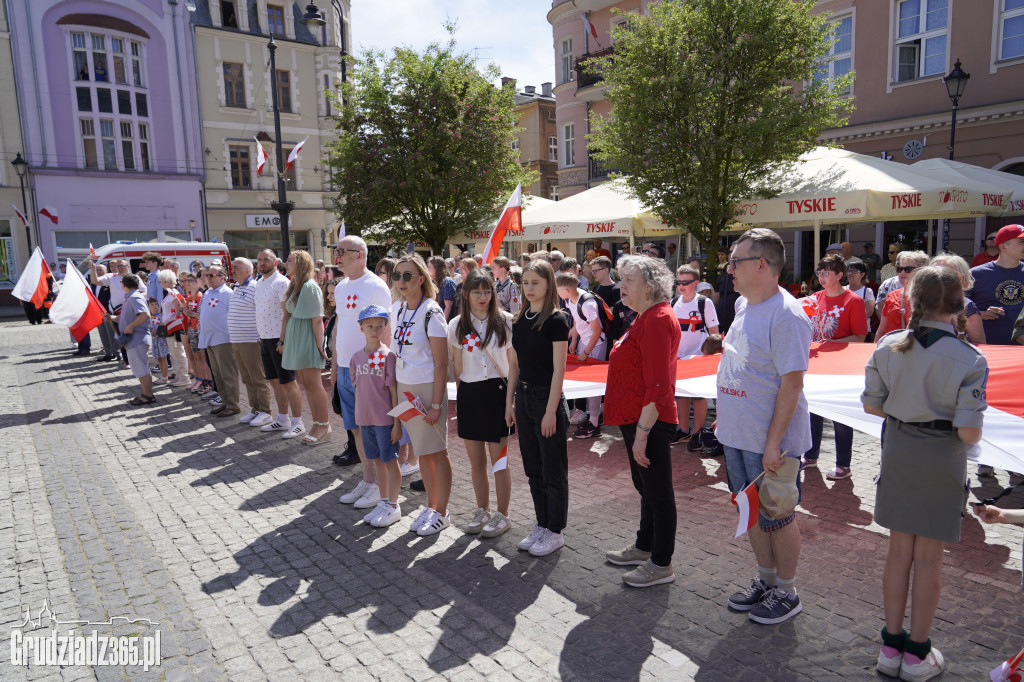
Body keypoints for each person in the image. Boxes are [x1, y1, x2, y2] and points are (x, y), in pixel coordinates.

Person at [861, 266, 987, 681]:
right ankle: (917, 654)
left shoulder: (887, 346)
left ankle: (890, 646)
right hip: (940, 456)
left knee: (898, 553)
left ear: (911, 301)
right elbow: (968, 431)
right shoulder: (970, 359)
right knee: (929, 559)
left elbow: (872, 405)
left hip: (898, 448)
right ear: (959, 306)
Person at [716, 228, 812, 625]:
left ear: (761, 265)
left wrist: (774, 442)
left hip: (770, 442)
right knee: (751, 511)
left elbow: (792, 383)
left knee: (779, 515)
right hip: (739, 433)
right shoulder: (744, 304)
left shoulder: (787, 314)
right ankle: (766, 581)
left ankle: (787, 591)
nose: (728, 268)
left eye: (735, 261)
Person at [603, 255, 681, 587]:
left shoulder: (655, 319)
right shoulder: (645, 317)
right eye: (620, 279)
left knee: (658, 493)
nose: (621, 285)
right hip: (638, 419)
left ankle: (661, 564)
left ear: (648, 287)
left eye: (627, 280)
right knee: (646, 489)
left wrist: (642, 433)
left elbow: (659, 384)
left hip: (648, 420)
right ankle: (644, 546)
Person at [505, 259, 570, 557]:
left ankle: (555, 530)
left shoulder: (557, 319)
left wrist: (549, 412)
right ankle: (542, 524)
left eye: (536, 283)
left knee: (552, 470)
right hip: (525, 398)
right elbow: (514, 366)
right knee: (533, 469)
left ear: (549, 284)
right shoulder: (518, 319)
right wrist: (510, 402)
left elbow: (559, 370)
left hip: (548, 399)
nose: (530, 288)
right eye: (526, 283)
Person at [449, 270, 514, 538]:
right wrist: (462, 396)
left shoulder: (507, 322)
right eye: (477, 292)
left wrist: (511, 403)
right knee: (476, 462)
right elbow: (457, 365)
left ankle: (503, 514)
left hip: (498, 394)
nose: (483, 297)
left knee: (499, 461)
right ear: (466, 294)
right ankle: (482, 509)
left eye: (487, 291)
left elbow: (514, 365)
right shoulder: (455, 325)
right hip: (470, 394)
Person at [390, 255, 452, 536]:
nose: (401, 281)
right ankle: (431, 505)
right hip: (407, 389)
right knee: (423, 454)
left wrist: (437, 404)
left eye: (407, 276)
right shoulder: (401, 310)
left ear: (421, 279)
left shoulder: (432, 312)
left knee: (437, 453)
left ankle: (442, 511)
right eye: (397, 275)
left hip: (428, 390)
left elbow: (442, 363)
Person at [332, 237, 393, 498]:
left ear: (359, 255)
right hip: (346, 367)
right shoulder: (341, 286)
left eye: (341, 251)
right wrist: (335, 365)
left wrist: (382, 369)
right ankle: (368, 481)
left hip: (370, 370)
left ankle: (381, 488)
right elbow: (339, 326)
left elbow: (385, 330)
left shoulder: (376, 286)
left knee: (374, 430)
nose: (336, 256)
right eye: (335, 251)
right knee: (356, 428)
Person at [800, 253, 867, 480]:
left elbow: (859, 337)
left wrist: (830, 344)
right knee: (813, 412)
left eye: (826, 272)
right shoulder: (813, 299)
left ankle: (843, 464)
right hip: (816, 366)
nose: (821, 277)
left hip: (842, 368)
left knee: (840, 418)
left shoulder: (853, 301)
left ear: (839, 275)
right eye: (819, 272)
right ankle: (810, 456)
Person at [349, 305, 403, 528]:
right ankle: (383, 501)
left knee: (390, 460)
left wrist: (397, 424)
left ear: (385, 328)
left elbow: (393, 392)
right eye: (369, 326)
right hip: (365, 419)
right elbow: (358, 387)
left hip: (385, 421)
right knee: (378, 460)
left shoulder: (388, 356)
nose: (374, 330)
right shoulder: (355, 358)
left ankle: (393, 504)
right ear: (361, 327)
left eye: (379, 326)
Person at [280, 250, 331, 444]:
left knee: (314, 385)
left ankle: (323, 424)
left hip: (307, 339)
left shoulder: (309, 286)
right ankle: (318, 423)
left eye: (290, 260)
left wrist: (320, 346)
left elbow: (317, 320)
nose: (286, 263)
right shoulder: (296, 285)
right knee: (308, 386)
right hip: (299, 338)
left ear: (301, 263)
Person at [253, 249, 303, 434]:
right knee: (274, 381)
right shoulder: (259, 283)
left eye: (266, 259)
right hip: (265, 339)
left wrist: (282, 340)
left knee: (289, 382)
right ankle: (282, 419)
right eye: (259, 260)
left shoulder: (281, 282)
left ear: (275, 262)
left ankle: (298, 422)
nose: (262, 262)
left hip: (279, 339)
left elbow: (287, 314)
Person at [671, 264, 719, 448]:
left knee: (699, 397)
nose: (681, 285)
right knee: (681, 395)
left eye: (686, 282)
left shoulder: (704, 303)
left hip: (699, 358)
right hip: (679, 358)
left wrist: (711, 356)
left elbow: (714, 332)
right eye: (679, 282)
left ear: (696, 283)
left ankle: (698, 432)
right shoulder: (674, 302)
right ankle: (684, 429)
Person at [556, 273, 606, 439]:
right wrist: (574, 339)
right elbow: (577, 321)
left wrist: (585, 352)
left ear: (567, 290)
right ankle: (591, 418)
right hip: (585, 342)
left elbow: (597, 330)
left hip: (596, 344)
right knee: (587, 382)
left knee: (593, 384)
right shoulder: (570, 299)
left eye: (558, 289)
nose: (557, 292)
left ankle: (594, 423)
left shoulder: (587, 304)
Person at [227, 258, 272, 425]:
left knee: (258, 377)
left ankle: (266, 411)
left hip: (251, 340)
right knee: (246, 377)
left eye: (236, 267)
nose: (233, 270)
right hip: (237, 339)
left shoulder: (255, 287)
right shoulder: (237, 287)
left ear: (248, 270)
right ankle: (255, 409)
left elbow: (261, 312)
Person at [969, 223, 1024, 346]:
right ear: (1003, 247)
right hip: (987, 351)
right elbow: (956, 307)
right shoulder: (975, 274)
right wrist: (979, 313)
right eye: (1022, 241)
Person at [198, 265, 240, 418]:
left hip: (223, 338)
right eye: (207, 275)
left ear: (222, 277)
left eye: (211, 275)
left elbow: (234, 315)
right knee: (218, 374)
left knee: (228, 373)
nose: (208, 278)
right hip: (209, 338)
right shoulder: (208, 292)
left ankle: (233, 405)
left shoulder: (227, 293)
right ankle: (225, 401)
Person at [930, 253, 986, 345]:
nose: (937, 277)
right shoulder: (922, 301)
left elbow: (979, 343)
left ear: (961, 278)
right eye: (933, 273)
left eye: (944, 274)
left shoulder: (968, 306)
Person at [117, 274, 155, 405]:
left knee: (142, 368)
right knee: (138, 369)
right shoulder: (130, 297)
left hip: (138, 338)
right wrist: (112, 318)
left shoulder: (135, 297)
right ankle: (146, 394)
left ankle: (148, 395)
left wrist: (130, 326)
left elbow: (144, 314)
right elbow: (129, 317)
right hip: (133, 339)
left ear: (123, 285)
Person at [876, 251, 930, 339]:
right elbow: (881, 330)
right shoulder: (892, 296)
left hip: (916, 349)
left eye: (908, 269)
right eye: (900, 269)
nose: (902, 272)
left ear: (921, 271)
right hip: (892, 348)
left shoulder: (930, 297)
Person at [181, 271, 213, 395]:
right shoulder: (189, 297)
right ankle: (200, 379)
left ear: (196, 282)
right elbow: (190, 317)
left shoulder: (200, 296)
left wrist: (192, 315)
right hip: (193, 328)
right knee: (196, 357)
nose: (187, 284)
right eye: (185, 281)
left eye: (190, 281)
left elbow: (201, 315)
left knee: (202, 358)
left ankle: (208, 381)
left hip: (200, 329)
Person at [157, 270, 190, 387]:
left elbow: (182, 304)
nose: (160, 283)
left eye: (161, 281)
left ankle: (184, 377)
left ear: (165, 281)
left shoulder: (173, 293)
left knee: (178, 352)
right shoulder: (169, 292)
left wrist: (177, 314)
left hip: (174, 326)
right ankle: (179, 375)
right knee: (174, 353)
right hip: (170, 326)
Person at [846, 261, 875, 337]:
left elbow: (869, 312)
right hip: (844, 331)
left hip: (861, 332)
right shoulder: (841, 290)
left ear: (862, 274)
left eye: (854, 271)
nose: (850, 273)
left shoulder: (867, 291)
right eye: (849, 271)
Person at [148, 298, 170, 384]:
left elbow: (164, 327)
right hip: (154, 340)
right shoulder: (149, 318)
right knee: (159, 358)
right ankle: (162, 376)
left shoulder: (161, 316)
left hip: (161, 340)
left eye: (156, 304)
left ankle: (165, 376)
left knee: (163, 357)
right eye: (152, 305)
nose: (154, 306)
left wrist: (157, 331)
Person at [429, 255, 457, 320]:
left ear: (436, 268)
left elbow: (448, 307)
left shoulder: (447, 282)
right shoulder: (432, 282)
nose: (427, 269)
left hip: (445, 321)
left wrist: (442, 324)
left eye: (429, 267)